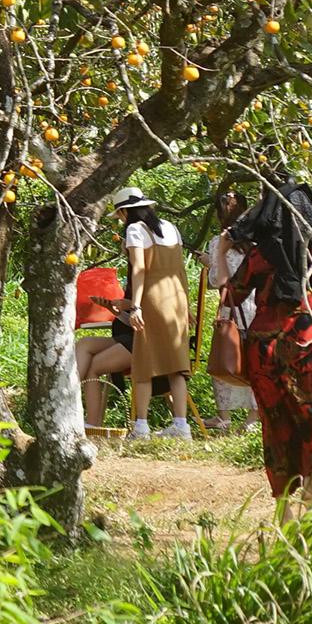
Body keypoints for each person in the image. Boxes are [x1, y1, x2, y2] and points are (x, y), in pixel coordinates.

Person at [223, 176, 312, 515]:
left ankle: (285, 510)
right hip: (306, 343)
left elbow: (232, 294)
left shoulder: (259, 254)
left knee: (277, 424)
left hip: (263, 352)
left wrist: (223, 254)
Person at [113, 186, 193, 440]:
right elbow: (180, 271)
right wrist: (187, 305)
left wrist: (135, 306)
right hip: (176, 300)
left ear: (125, 212)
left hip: (153, 300)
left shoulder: (135, 230)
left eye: (119, 215)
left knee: (145, 362)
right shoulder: (171, 227)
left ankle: (142, 426)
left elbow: (138, 270)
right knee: (177, 365)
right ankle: (182, 425)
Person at [204, 189, 257, 433]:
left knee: (224, 355)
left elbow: (217, 279)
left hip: (232, 307)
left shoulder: (218, 242)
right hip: (256, 305)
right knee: (255, 362)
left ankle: (223, 417)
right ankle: (252, 419)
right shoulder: (257, 239)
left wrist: (208, 263)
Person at [72, 266, 135, 431]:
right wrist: (113, 310)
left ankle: (91, 423)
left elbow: (150, 313)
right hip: (129, 335)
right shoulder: (133, 273)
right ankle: (68, 391)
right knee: (84, 343)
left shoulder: (147, 274)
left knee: (93, 367)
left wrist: (133, 304)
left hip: (146, 342)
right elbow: (133, 321)